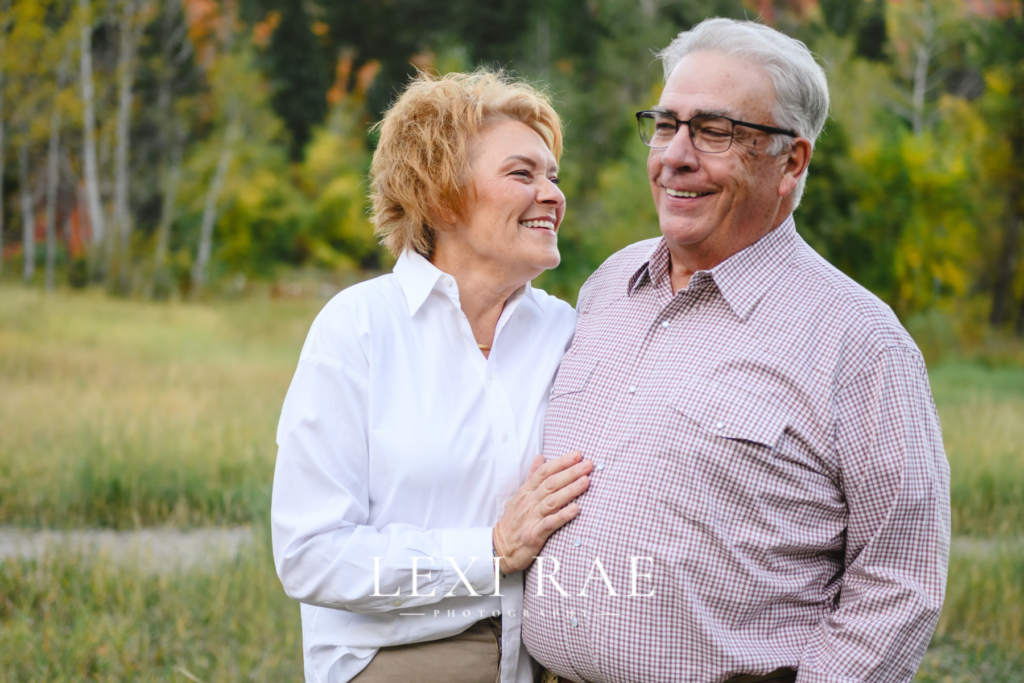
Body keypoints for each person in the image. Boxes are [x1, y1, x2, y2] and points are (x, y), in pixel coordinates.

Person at [522, 18, 950, 683]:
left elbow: (900, 579)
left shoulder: (860, 341)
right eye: (666, 125)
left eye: (715, 131)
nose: (676, 156)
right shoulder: (608, 284)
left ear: (791, 162)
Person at [271, 70, 593, 683]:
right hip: (399, 657)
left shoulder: (569, 331)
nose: (553, 195)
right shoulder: (358, 329)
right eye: (522, 174)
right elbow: (311, 556)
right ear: (442, 196)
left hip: (546, 660)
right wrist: (489, 552)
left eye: (553, 176)